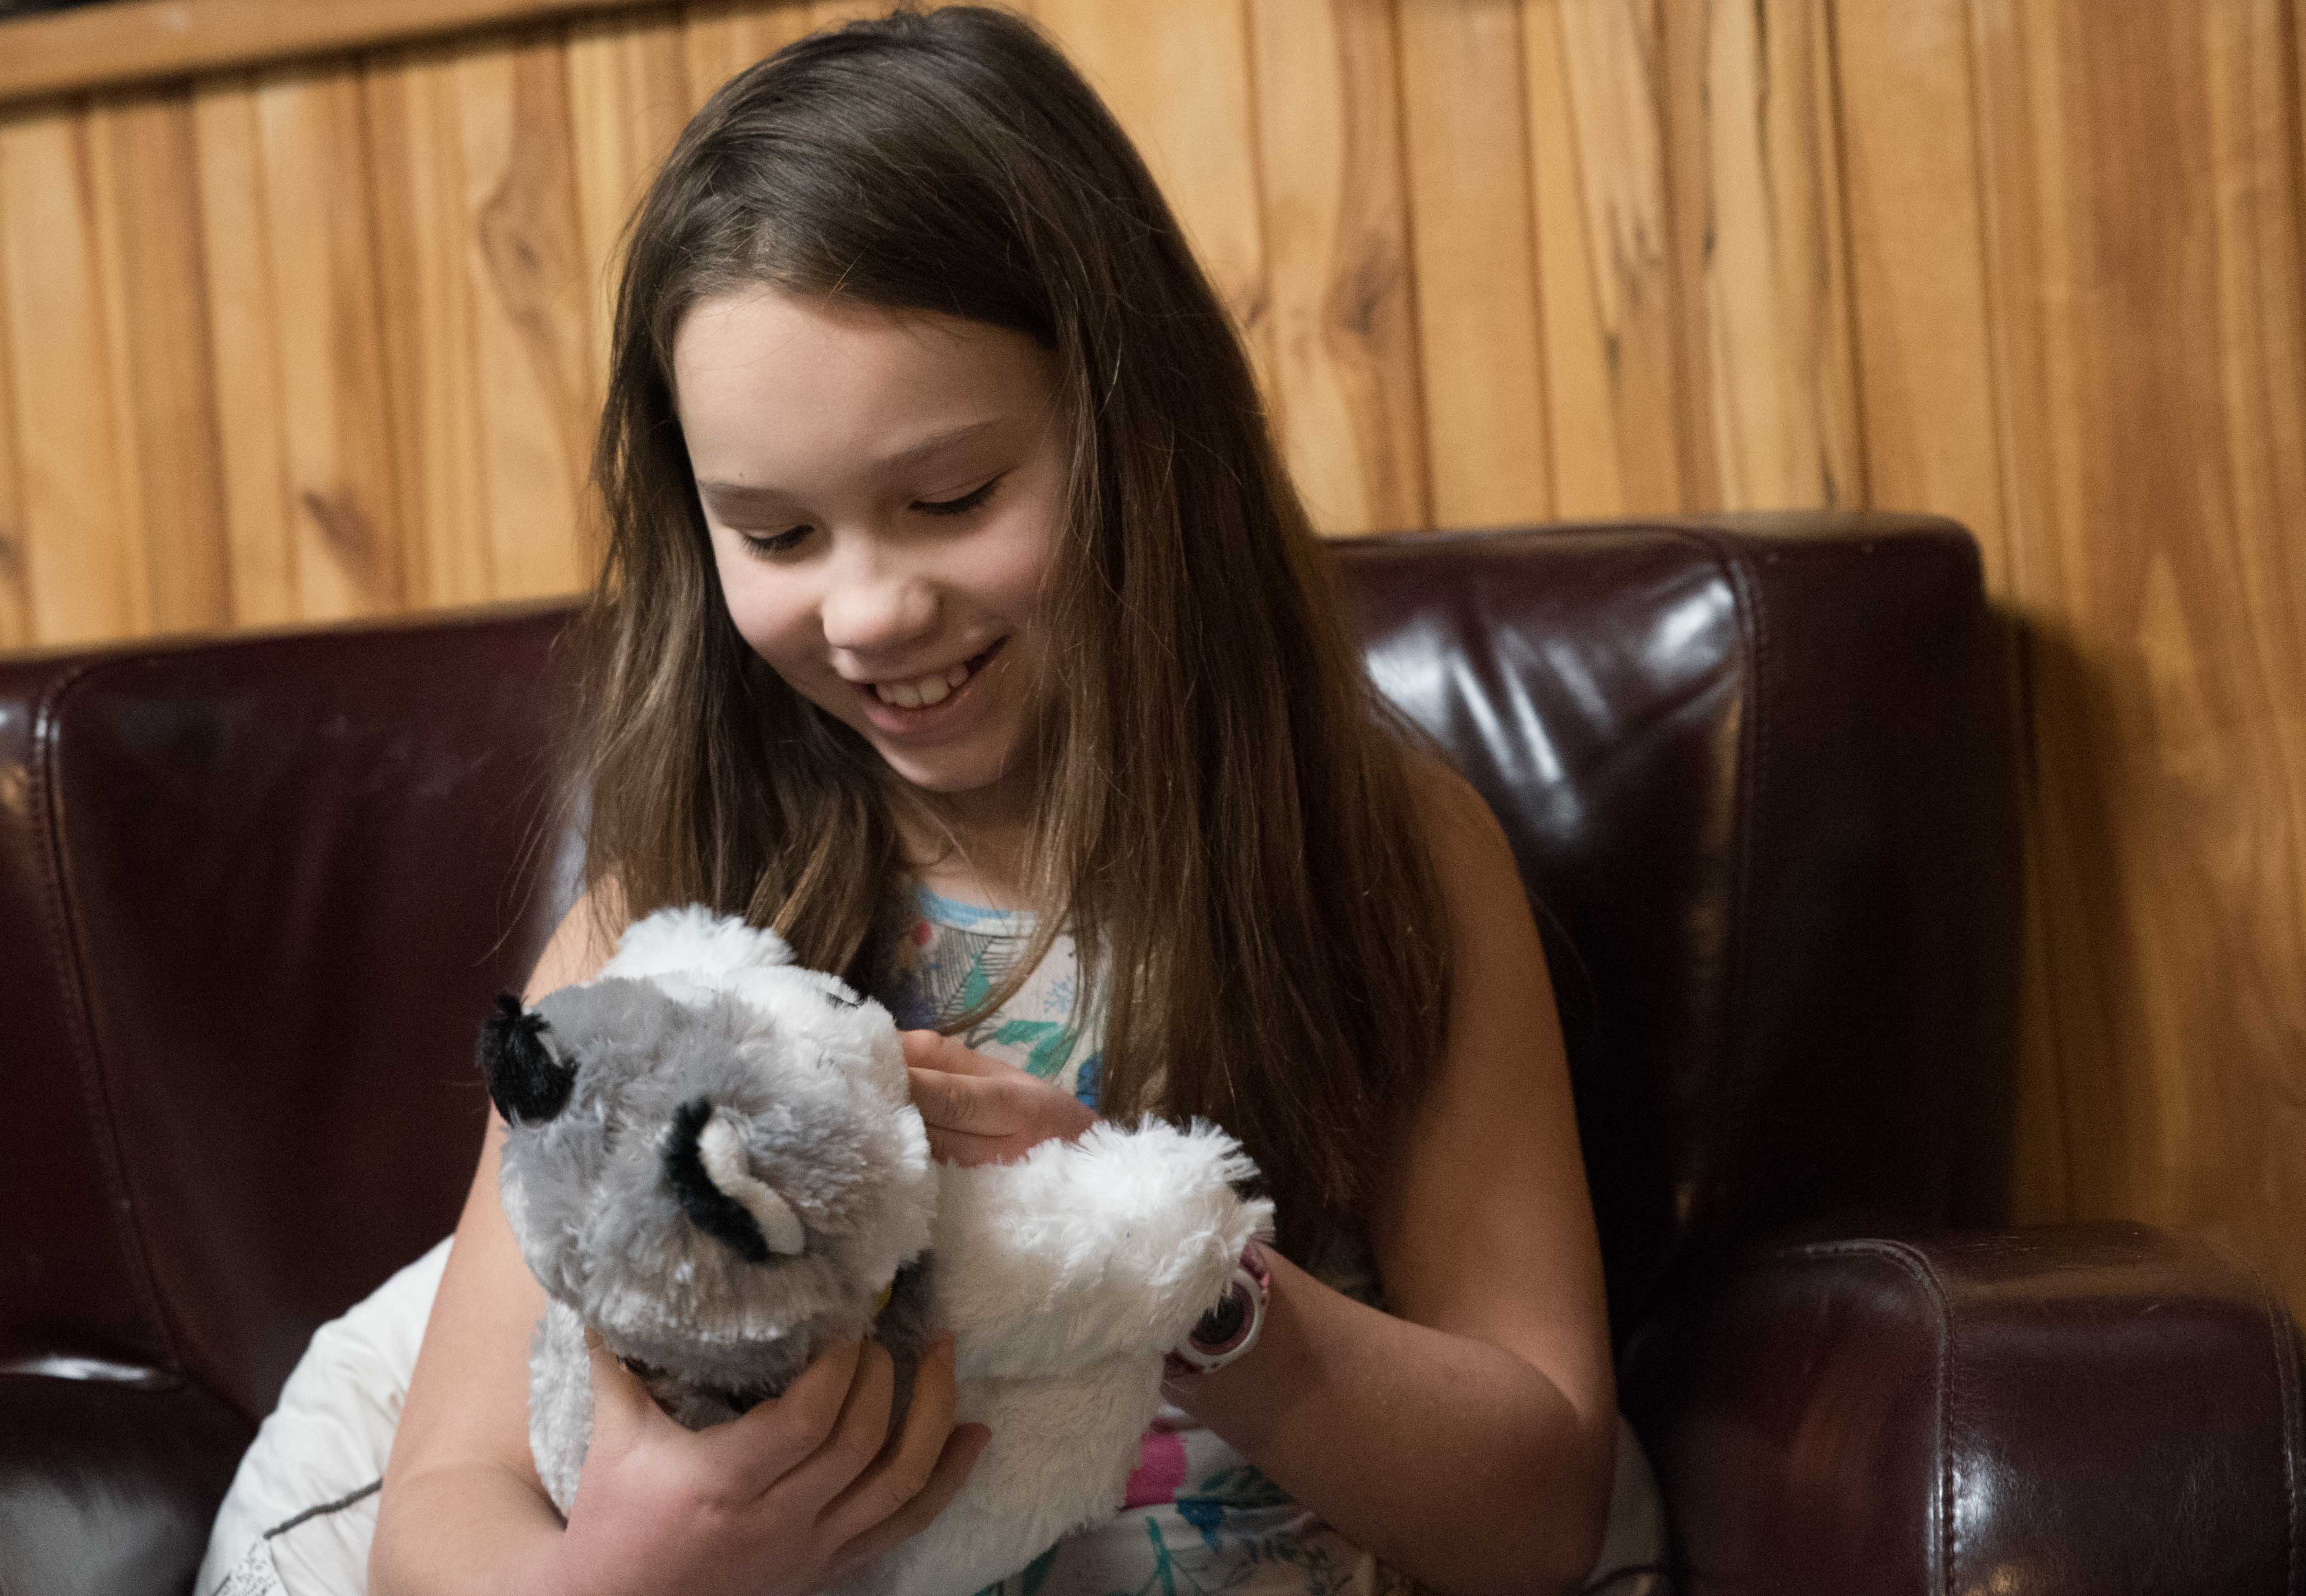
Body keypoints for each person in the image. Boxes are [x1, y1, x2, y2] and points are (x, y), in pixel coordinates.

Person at [368, 8, 1661, 1595]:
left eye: (952, 498)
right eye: (775, 535)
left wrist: (1155, 1262)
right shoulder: (665, 921)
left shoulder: (1377, 854)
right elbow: (438, 1512)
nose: (868, 612)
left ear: (1136, 437)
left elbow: (1538, 1512)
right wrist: (633, 1567)